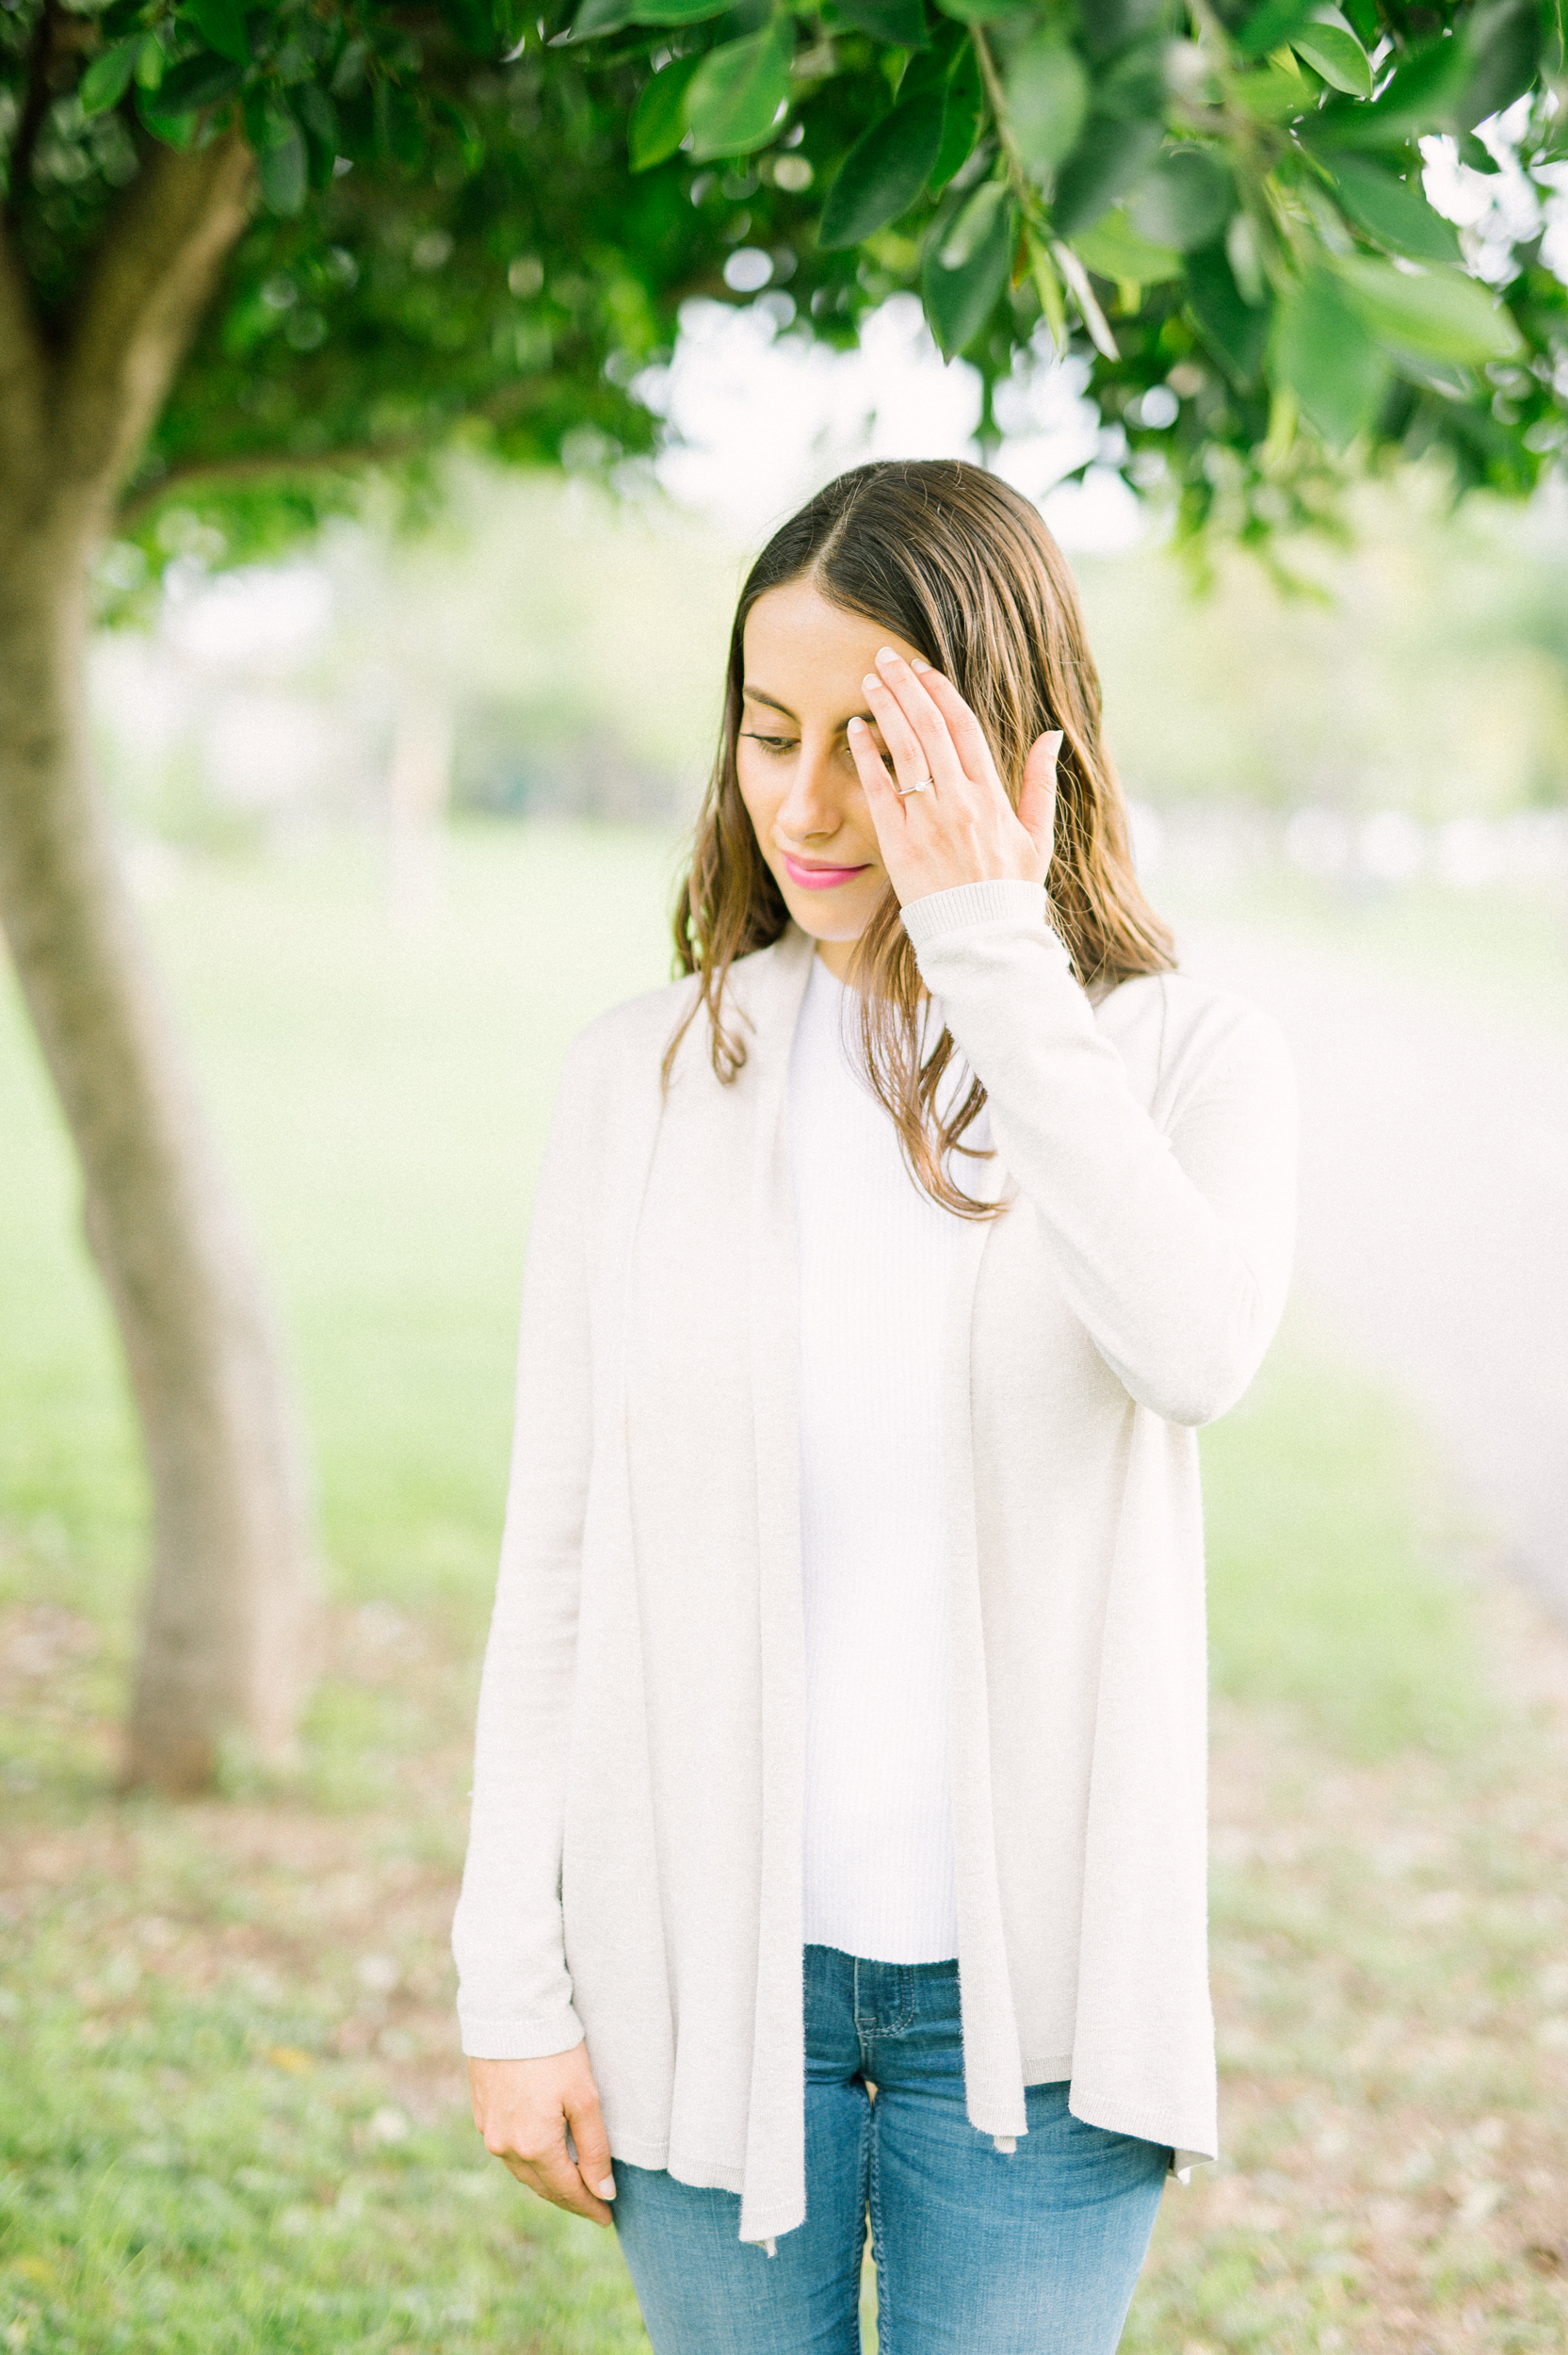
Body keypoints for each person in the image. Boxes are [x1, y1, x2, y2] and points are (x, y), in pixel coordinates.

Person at [452, 458, 1298, 2354]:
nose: (812, 804)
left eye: (878, 741)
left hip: (1042, 2032)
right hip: (700, 1989)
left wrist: (990, 944)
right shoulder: (647, 1078)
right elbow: (556, 1554)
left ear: (1016, 748)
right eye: (770, 733)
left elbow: (1194, 1347)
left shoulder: (1178, 1060)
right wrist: (511, 1978)